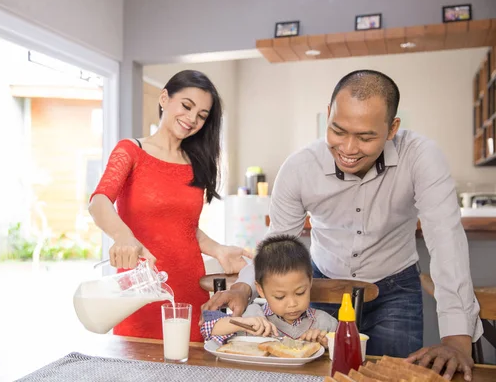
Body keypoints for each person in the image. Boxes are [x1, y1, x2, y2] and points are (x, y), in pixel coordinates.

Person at [202, 70, 482, 380]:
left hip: (395, 289)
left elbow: (447, 242)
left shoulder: (421, 157)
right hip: (322, 288)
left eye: (365, 137)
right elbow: (277, 242)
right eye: (338, 130)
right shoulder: (299, 168)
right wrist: (243, 286)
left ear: (392, 129)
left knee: (391, 377)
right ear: (328, 116)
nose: (348, 148)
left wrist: (457, 340)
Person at [89, 70, 251, 342]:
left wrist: (219, 249)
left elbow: (185, 228)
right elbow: (99, 201)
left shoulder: (197, 164)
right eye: (187, 106)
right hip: (140, 291)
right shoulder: (130, 151)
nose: (192, 119)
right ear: (164, 98)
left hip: (189, 289)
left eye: (201, 115)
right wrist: (123, 236)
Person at [200, 235, 337, 346]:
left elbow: (349, 350)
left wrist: (327, 343)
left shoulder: (325, 322)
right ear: (261, 290)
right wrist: (241, 325)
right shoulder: (254, 314)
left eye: (300, 293)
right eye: (279, 296)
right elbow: (207, 328)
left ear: (310, 282)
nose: (292, 303)